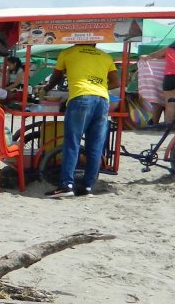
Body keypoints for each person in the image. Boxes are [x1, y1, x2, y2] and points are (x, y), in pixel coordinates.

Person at [40, 43, 119, 198]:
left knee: (72, 143)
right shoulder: (105, 56)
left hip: (80, 98)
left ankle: (66, 185)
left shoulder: (67, 53)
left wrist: (46, 88)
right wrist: (98, 86)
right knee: (95, 146)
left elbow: (56, 77)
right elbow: (116, 82)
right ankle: (87, 186)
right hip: (103, 100)